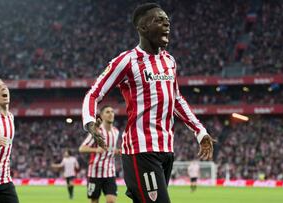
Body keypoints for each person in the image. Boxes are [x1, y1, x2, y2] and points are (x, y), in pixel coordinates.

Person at [82, 3, 215, 203]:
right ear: (142, 28)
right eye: (159, 20)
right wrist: (90, 122)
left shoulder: (169, 61)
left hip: (166, 150)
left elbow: (177, 99)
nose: (166, 24)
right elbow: (94, 94)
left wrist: (200, 131)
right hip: (141, 150)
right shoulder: (126, 61)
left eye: (167, 21)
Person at [79, 105, 120, 203]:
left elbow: (110, 149)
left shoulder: (116, 132)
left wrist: (116, 151)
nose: (111, 114)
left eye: (112, 111)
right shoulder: (97, 132)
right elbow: (82, 148)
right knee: (94, 201)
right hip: (95, 172)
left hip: (110, 172)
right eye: (107, 112)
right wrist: (96, 150)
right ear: (101, 115)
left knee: (111, 201)